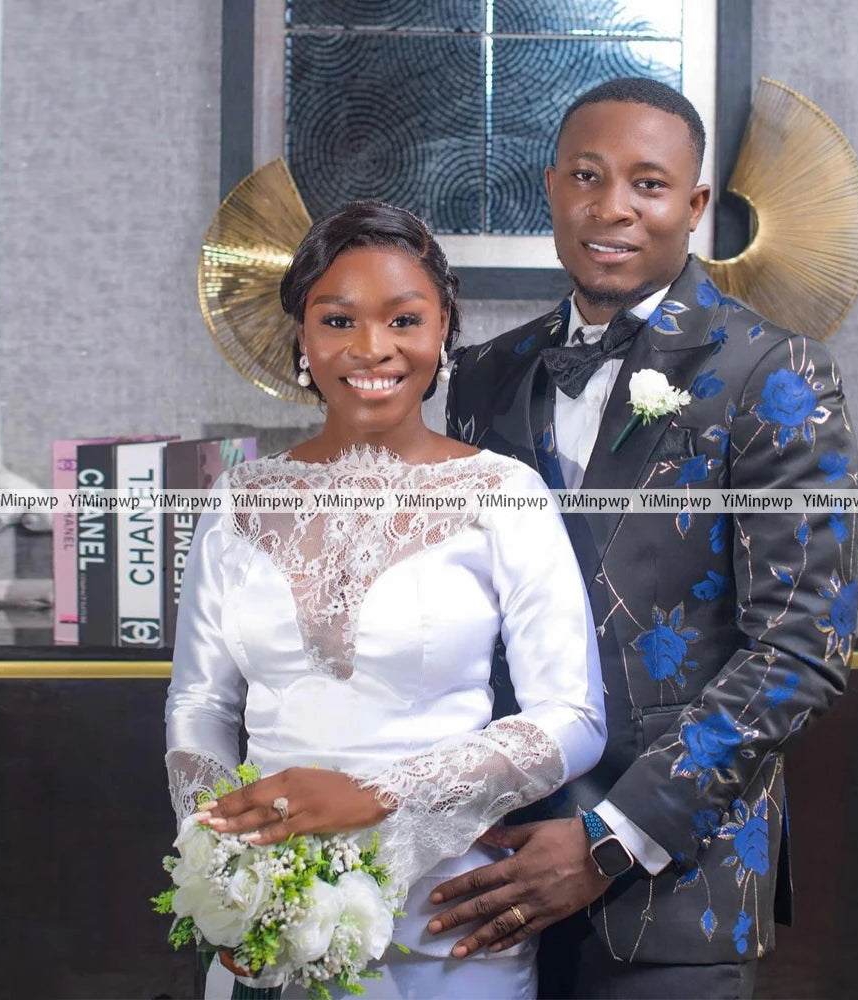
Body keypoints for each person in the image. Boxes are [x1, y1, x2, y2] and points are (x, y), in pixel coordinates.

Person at [435, 78, 858, 999]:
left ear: (696, 205)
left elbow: (801, 646)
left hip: (678, 889)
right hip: (484, 869)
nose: (612, 208)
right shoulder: (482, 378)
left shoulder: (775, 373)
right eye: (587, 177)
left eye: (648, 184)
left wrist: (611, 836)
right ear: (550, 187)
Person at [164, 201, 606, 999]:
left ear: (444, 331)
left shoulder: (503, 494)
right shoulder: (238, 499)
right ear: (303, 336)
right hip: (267, 929)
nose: (373, 348)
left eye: (405, 319)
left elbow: (572, 717)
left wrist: (377, 799)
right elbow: (199, 702)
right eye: (338, 320)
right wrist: (225, 857)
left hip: (447, 928)